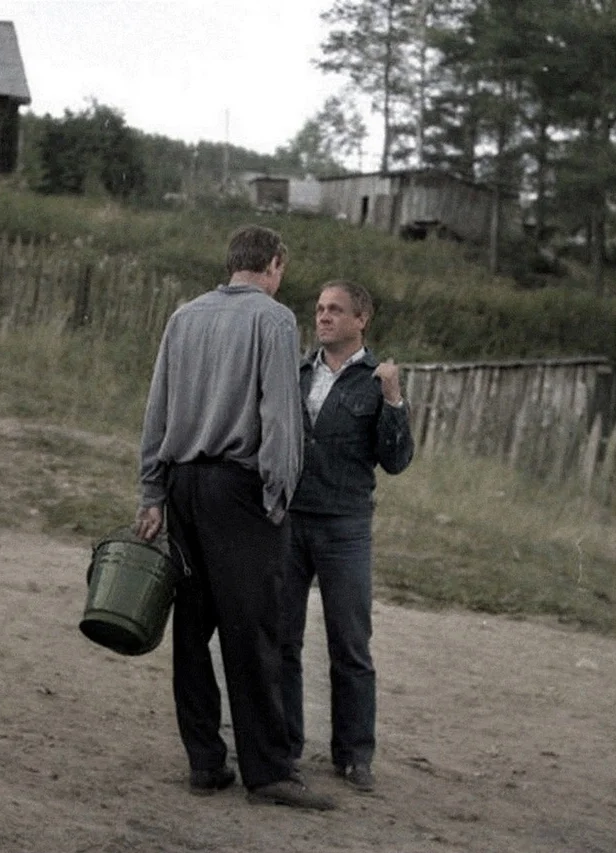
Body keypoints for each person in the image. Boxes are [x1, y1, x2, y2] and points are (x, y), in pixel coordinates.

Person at [135, 225, 335, 811]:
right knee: (255, 631)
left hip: (182, 487)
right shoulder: (271, 320)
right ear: (273, 264)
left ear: (231, 265)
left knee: (192, 630)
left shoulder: (184, 317)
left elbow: (158, 409)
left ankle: (205, 763)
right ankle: (268, 772)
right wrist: (278, 493)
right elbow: (280, 415)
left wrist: (152, 491)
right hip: (240, 489)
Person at [281, 280, 415, 793]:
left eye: (335, 309)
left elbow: (397, 461)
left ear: (362, 319)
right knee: (281, 639)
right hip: (290, 520)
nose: (323, 317)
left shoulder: (376, 379)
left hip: (345, 527)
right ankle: (284, 745)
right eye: (319, 309)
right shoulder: (295, 372)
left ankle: (355, 755)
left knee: (350, 644)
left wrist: (394, 399)